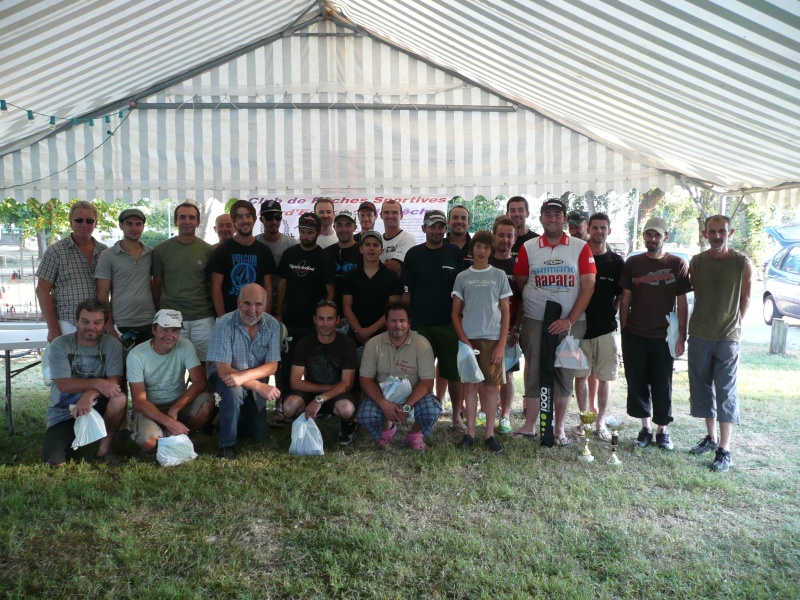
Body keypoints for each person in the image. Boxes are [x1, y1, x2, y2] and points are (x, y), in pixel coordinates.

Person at [511, 197, 596, 445]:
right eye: (547, 214)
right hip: (536, 319)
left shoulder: (581, 247)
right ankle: (529, 425)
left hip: (571, 323)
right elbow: (521, 281)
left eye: (557, 214)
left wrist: (568, 320)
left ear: (564, 219)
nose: (552, 218)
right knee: (535, 371)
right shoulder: (529, 247)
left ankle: (558, 428)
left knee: (564, 373)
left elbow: (588, 286)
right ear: (541, 218)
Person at [620, 217, 691, 451]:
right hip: (636, 334)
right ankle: (644, 429)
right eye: (649, 234)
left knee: (662, 384)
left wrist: (682, 336)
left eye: (657, 235)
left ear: (666, 237)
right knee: (637, 382)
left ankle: (662, 430)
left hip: (664, 336)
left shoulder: (677, 264)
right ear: (644, 236)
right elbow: (625, 298)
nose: (652, 239)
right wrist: (625, 329)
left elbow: (682, 303)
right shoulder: (633, 263)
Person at [688, 215, 752, 472]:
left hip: (727, 337)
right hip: (700, 334)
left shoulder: (741, 262)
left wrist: (734, 325)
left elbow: (746, 297)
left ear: (730, 232)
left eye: (721, 231)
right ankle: (711, 438)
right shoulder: (697, 262)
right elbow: (695, 291)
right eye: (712, 232)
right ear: (705, 233)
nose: (716, 236)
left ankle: (725, 449)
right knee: (702, 388)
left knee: (725, 390)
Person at [42, 299, 127, 466]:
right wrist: (97, 383)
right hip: (65, 412)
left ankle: (104, 450)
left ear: (104, 324)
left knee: (120, 398)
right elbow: (63, 384)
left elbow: (114, 380)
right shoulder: (60, 345)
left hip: (98, 407)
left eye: (97, 322)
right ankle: (73, 438)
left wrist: (90, 393)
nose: (91, 327)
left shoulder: (112, 345)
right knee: (54, 461)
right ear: (76, 321)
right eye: (85, 321)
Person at [401, 209, 465, 432]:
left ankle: (456, 417)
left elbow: (461, 289)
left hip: (449, 324)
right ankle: (420, 414)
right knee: (419, 374)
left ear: (444, 229)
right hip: (420, 324)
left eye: (440, 226)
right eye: (432, 226)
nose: (436, 230)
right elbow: (406, 292)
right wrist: (407, 322)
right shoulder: (413, 254)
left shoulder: (454, 251)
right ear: (423, 228)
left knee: (453, 373)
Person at [452, 230, 512, 453]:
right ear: (472, 248)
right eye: (478, 246)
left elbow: (506, 312)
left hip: (492, 339)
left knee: (490, 388)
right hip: (470, 341)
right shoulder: (462, 277)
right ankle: (469, 433)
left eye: (487, 248)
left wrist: (501, 344)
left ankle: (489, 434)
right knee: (470, 386)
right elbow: (455, 313)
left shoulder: (499, 275)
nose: (482, 251)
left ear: (491, 251)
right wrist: (464, 340)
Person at [207, 284, 282, 459]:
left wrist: (246, 379)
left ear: (265, 304)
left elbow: (272, 366)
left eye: (258, 304)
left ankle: (220, 417)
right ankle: (226, 446)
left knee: (258, 435)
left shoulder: (273, 325)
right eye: (247, 304)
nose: (252, 310)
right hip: (221, 374)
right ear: (239, 303)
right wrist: (259, 386)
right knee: (234, 392)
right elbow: (224, 370)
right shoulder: (224, 323)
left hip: (249, 376)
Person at [127, 309, 214, 456]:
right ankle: (171, 440)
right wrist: (169, 422)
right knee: (148, 441)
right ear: (153, 329)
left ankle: (178, 439)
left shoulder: (185, 345)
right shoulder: (136, 355)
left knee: (207, 403)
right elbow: (139, 402)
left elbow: (200, 382)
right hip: (149, 407)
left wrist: (175, 408)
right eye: (164, 329)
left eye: (175, 330)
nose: (169, 336)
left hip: (177, 403)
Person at [356, 301, 441, 450]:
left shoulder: (422, 344)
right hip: (384, 394)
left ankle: (415, 433)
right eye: (393, 321)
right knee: (365, 415)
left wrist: (407, 407)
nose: (398, 325)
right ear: (386, 323)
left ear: (409, 323)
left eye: (402, 321)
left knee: (431, 410)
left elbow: (427, 383)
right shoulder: (373, 344)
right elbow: (365, 380)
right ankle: (386, 429)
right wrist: (383, 404)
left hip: (414, 394)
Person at [572, 213, 624, 439]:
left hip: (606, 330)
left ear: (609, 230)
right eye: (595, 227)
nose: (599, 231)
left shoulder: (617, 262)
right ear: (588, 229)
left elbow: (622, 296)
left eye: (603, 228)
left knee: (604, 378)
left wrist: (613, 312)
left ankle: (600, 422)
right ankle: (584, 419)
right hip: (581, 329)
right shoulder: (578, 257)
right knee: (580, 376)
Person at [276, 212, 335, 403]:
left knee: (315, 367)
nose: (306, 235)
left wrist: (325, 319)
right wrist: (278, 313)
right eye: (302, 231)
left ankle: (315, 404)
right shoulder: (289, 254)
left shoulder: (323, 257)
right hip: (289, 321)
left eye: (310, 232)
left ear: (318, 232)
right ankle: (284, 403)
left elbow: (330, 291)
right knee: (286, 365)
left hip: (313, 324)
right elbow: (282, 285)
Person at [282, 301, 359, 446]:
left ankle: (347, 426)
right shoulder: (304, 343)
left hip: (338, 395)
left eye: (330, 319)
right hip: (314, 391)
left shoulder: (347, 343)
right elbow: (295, 382)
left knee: (346, 408)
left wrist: (321, 399)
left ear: (337, 320)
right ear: (314, 320)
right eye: (321, 319)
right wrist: (325, 390)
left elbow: (346, 385)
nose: (325, 324)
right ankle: (301, 424)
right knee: (288, 407)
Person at [152, 201, 215, 362]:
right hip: (171, 317)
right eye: (182, 217)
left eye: (191, 218)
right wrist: (162, 311)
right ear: (175, 221)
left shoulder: (208, 251)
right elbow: (156, 285)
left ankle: (202, 388)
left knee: (203, 363)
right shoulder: (160, 250)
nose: (187, 221)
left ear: (198, 222)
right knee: (172, 362)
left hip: (203, 317)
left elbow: (212, 284)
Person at [36, 201, 108, 343]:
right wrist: (53, 328)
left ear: (95, 223)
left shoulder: (105, 252)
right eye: (78, 220)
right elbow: (42, 291)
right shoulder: (56, 251)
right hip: (67, 324)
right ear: (70, 222)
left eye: (89, 221)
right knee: (67, 365)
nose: (84, 224)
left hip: (97, 325)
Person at [96, 207, 156, 348]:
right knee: (124, 366)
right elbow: (102, 294)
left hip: (149, 323)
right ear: (121, 226)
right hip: (123, 325)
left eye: (138, 224)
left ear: (143, 226)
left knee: (148, 367)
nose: (134, 228)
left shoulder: (151, 253)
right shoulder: (108, 255)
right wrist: (110, 328)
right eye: (129, 223)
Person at [210, 200, 277, 316]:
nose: (245, 220)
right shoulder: (222, 251)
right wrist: (222, 318)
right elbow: (216, 287)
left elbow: (268, 288)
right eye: (240, 217)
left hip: (256, 316)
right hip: (230, 316)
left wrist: (265, 317)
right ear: (234, 221)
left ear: (254, 220)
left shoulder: (264, 251)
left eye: (248, 216)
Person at [342, 231, 404, 346]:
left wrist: (370, 330)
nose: (371, 248)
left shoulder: (391, 277)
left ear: (382, 250)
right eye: (367, 245)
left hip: (384, 334)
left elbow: (392, 309)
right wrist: (359, 331)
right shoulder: (350, 276)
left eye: (375, 245)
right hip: (355, 335)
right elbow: (346, 307)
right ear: (361, 249)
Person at [488, 217, 520, 434]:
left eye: (510, 235)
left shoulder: (519, 265)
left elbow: (524, 298)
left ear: (515, 238)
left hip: (510, 330)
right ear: (494, 236)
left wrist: (516, 327)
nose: (505, 239)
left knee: (508, 373)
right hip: (486, 328)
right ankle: (485, 410)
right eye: (501, 235)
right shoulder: (484, 262)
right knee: (485, 372)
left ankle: (505, 415)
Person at [255, 199, 298, 312]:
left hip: (286, 303)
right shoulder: (254, 244)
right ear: (261, 219)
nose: (274, 221)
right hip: (258, 304)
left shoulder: (292, 244)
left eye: (277, 217)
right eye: (269, 217)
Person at [325, 209, 363, 313]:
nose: (343, 229)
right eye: (340, 225)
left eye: (348, 225)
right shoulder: (326, 253)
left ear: (355, 227)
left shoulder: (363, 252)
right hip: (332, 312)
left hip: (358, 311)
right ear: (334, 227)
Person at [379, 200, 416, 274]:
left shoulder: (407, 238)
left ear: (401, 216)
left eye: (394, 213)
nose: (390, 216)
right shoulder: (378, 240)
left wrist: (370, 269)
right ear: (381, 215)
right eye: (386, 212)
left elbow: (394, 267)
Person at [506, 195, 539, 260]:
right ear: (507, 214)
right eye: (512, 210)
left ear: (527, 213)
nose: (516, 214)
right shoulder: (501, 241)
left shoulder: (537, 240)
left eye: (520, 210)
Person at [445, 204, 473, 268]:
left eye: (463, 218)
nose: (459, 221)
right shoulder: (440, 246)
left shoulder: (475, 247)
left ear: (468, 223)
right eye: (455, 218)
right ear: (448, 222)